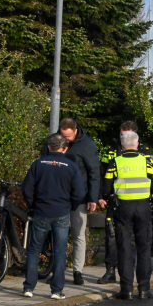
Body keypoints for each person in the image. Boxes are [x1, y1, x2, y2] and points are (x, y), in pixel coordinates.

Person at [22, 133, 85, 300]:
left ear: (49, 147)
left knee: (34, 250)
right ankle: (56, 290)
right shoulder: (71, 167)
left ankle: (29, 287)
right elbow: (79, 193)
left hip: (41, 212)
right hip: (62, 212)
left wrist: (32, 205)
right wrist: (70, 206)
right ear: (65, 149)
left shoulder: (38, 164)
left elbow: (27, 189)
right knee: (59, 251)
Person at [42, 118, 100, 285]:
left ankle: (77, 271)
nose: (65, 140)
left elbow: (94, 172)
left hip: (78, 198)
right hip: (57, 196)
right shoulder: (53, 141)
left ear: (75, 131)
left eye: (68, 136)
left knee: (78, 234)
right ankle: (57, 270)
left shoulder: (87, 145)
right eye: (63, 136)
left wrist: (92, 198)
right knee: (58, 235)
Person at [103, 131, 153, 300]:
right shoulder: (147, 162)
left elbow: (106, 189)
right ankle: (144, 289)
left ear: (122, 145)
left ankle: (126, 289)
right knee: (144, 248)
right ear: (137, 144)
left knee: (125, 248)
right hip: (143, 207)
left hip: (123, 209)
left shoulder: (115, 162)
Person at [97, 120, 153, 285]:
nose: (123, 138)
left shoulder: (145, 153)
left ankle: (130, 282)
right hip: (115, 201)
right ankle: (110, 271)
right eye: (121, 135)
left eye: (126, 135)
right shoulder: (111, 151)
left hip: (136, 203)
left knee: (134, 244)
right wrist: (100, 196)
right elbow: (102, 173)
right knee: (111, 238)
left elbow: (152, 180)